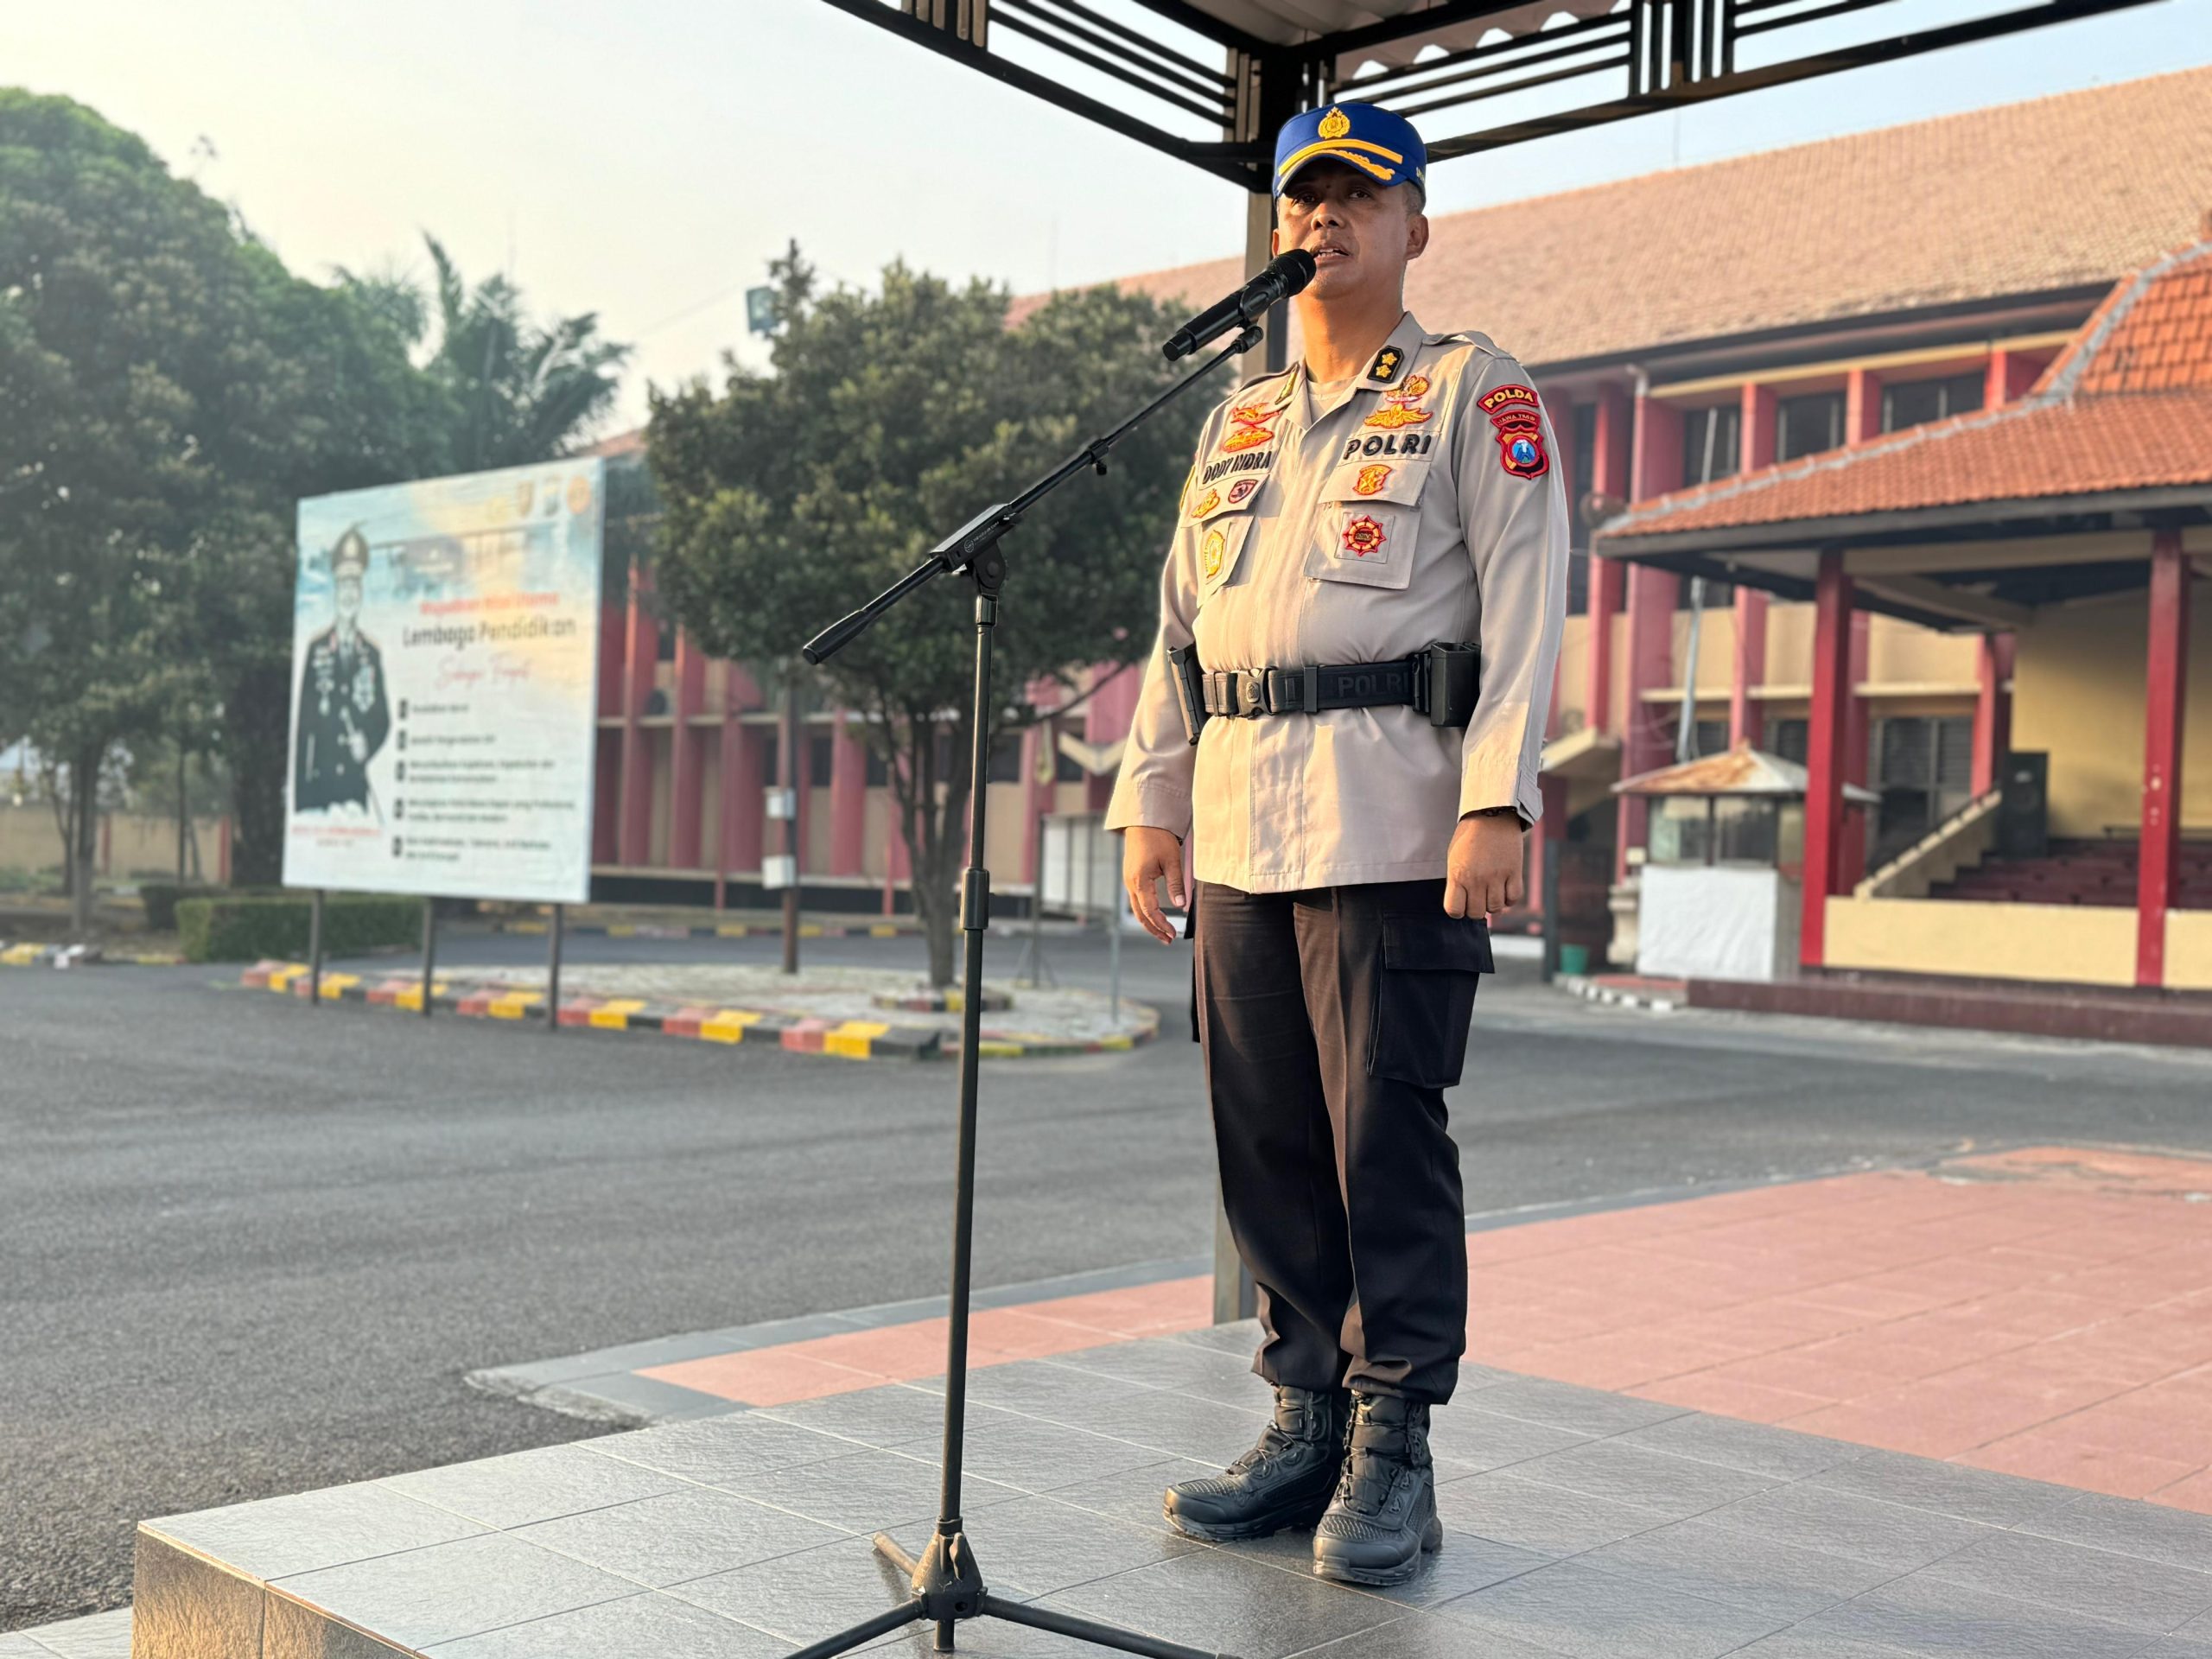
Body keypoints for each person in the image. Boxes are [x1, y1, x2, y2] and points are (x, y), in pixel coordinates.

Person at [1107, 100, 1567, 1586]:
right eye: (1306, 196)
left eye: (1361, 194)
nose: (1328, 218)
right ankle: (1303, 1420)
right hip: (1242, 822)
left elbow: (1528, 594)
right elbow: (1181, 632)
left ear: (1415, 223)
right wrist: (1152, 799)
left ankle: (1394, 1450)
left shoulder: (1469, 391)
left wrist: (1498, 797)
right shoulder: (1236, 422)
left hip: (1393, 820)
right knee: (1267, 1141)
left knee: (1384, 1142)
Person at [294, 527, 391, 816]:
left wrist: (368, 743)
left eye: (355, 587)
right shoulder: (317, 649)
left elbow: (383, 718)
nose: (349, 595)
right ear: (335, 592)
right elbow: (303, 729)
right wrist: (302, 799)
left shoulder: (371, 653)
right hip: (320, 788)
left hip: (354, 787)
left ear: (361, 594)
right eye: (344, 586)